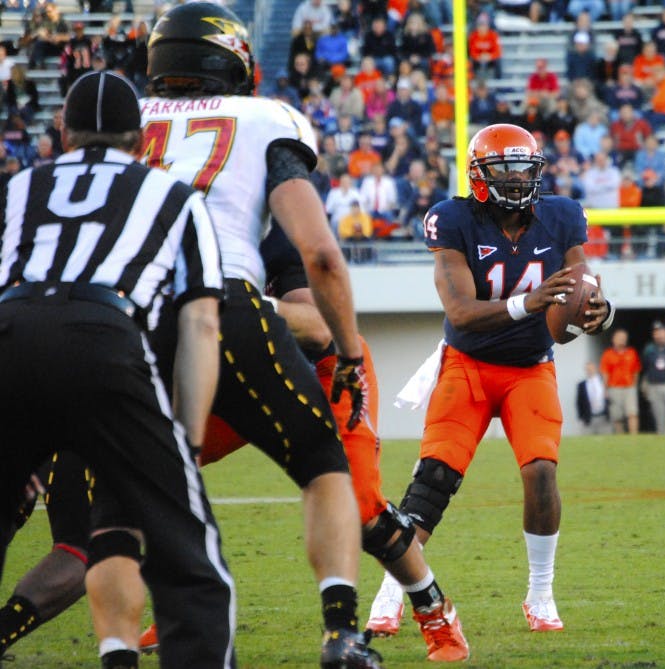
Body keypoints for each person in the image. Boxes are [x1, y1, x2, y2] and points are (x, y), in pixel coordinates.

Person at [140, 4, 380, 666]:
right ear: (234, 64)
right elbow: (321, 253)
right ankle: (340, 633)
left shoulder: (124, 117)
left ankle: (118, 650)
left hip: (123, 312)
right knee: (322, 463)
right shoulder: (266, 118)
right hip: (225, 298)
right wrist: (349, 352)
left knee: (113, 507)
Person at [0, 70, 233, 669]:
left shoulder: (20, 186)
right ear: (142, 138)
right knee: (187, 550)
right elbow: (200, 324)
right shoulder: (173, 195)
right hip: (104, 337)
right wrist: (186, 446)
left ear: (64, 134)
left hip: (11, 331)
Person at [366, 123, 614, 636]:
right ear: (480, 175)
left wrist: (600, 312)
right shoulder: (454, 219)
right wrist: (530, 302)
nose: (518, 179)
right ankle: (390, 593)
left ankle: (540, 594)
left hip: (530, 368)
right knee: (435, 478)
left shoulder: (561, 216)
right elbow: (460, 311)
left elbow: (584, 285)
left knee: (541, 471)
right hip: (468, 365)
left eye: (525, 168)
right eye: (506, 169)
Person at [601, 328, 641, 434]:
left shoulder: (632, 353)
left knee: (632, 412)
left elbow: (636, 370)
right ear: (613, 339)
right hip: (614, 388)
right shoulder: (608, 354)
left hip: (629, 387)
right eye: (619, 338)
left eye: (624, 338)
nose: (622, 340)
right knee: (616, 415)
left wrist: (634, 385)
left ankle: (634, 436)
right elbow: (605, 373)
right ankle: (620, 436)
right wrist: (605, 389)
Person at [641, 321, 665, 435]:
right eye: (656, 333)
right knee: (659, 413)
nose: (659, 335)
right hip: (654, 385)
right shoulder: (650, 349)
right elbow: (645, 366)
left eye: (661, 332)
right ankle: (662, 434)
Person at [576, 361, 610, 434]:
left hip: (603, 417)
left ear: (596, 369)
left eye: (591, 369)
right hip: (589, 418)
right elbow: (579, 402)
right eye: (588, 369)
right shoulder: (581, 385)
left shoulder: (603, 381)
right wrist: (581, 418)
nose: (590, 371)